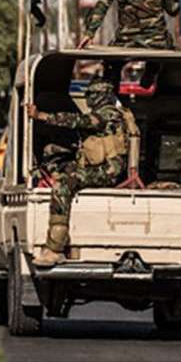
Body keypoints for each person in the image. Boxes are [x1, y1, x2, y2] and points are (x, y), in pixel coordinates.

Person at [25, 77, 132, 267]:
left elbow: (78, 121)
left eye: (91, 95)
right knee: (61, 170)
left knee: (62, 186)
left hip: (107, 172)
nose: (88, 99)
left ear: (100, 96)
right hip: (107, 169)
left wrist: (41, 116)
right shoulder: (118, 114)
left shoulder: (107, 115)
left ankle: (55, 248)